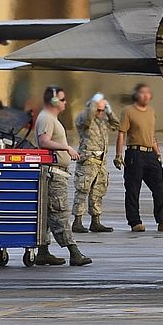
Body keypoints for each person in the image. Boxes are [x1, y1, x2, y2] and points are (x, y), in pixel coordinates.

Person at [32, 86, 91, 266]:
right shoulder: (46, 118)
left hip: (57, 173)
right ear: (55, 100)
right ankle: (74, 252)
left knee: (47, 213)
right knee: (59, 212)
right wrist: (66, 148)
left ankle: (43, 251)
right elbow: (44, 141)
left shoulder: (50, 118)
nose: (66, 103)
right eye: (63, 99)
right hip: (53, 175)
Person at [114, 84, 163, 233]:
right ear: (136, 95)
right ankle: (135, 222)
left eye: (148, 93)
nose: (145, 96)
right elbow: (122, 133)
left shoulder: (151, 111)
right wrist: (118, 155)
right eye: (142, 93)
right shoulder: (128, 111)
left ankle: (162, 221)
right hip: (134, 154)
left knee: (159, 187)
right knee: (133, 189)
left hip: (150, 154)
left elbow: (151, 135)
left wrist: (158, 153)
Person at [71, 93, 119, 234]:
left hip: (100, 163)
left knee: (98, 192)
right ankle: (77, 221)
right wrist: (95, 103)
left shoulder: (102, 121)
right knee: (82, 191)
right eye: (98, 110)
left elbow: (117, 125)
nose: (100, 113)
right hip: (88, 162)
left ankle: (95, 221)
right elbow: (87, 117)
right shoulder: (84, 119)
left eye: (102, 110)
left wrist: (109, 111)